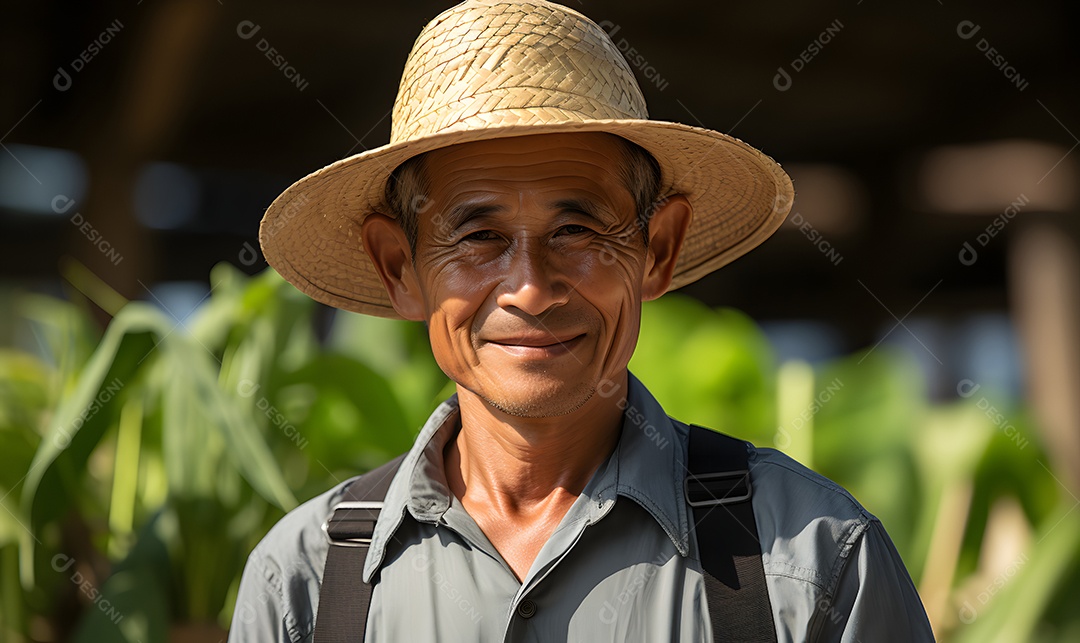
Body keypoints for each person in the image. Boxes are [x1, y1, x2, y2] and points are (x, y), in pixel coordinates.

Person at [229, 0, 935, 641]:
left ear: (656, 251)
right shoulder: (306, 585)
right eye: (478, 236)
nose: (532, 288)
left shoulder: (815, 565)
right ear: (399, 269)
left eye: (578, 229)